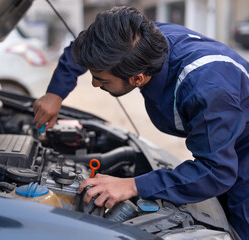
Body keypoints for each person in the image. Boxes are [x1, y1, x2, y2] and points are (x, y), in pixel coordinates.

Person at [33, 6, 249, 238]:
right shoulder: (140, 41)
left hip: (244, 148)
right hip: (224, 130)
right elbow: (84, 48)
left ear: (138, 78)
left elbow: (216, 171)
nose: (95, 84)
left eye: (101, 79)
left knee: (239, 222)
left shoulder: (206, 91)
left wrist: (132, 185)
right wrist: (55, 93)